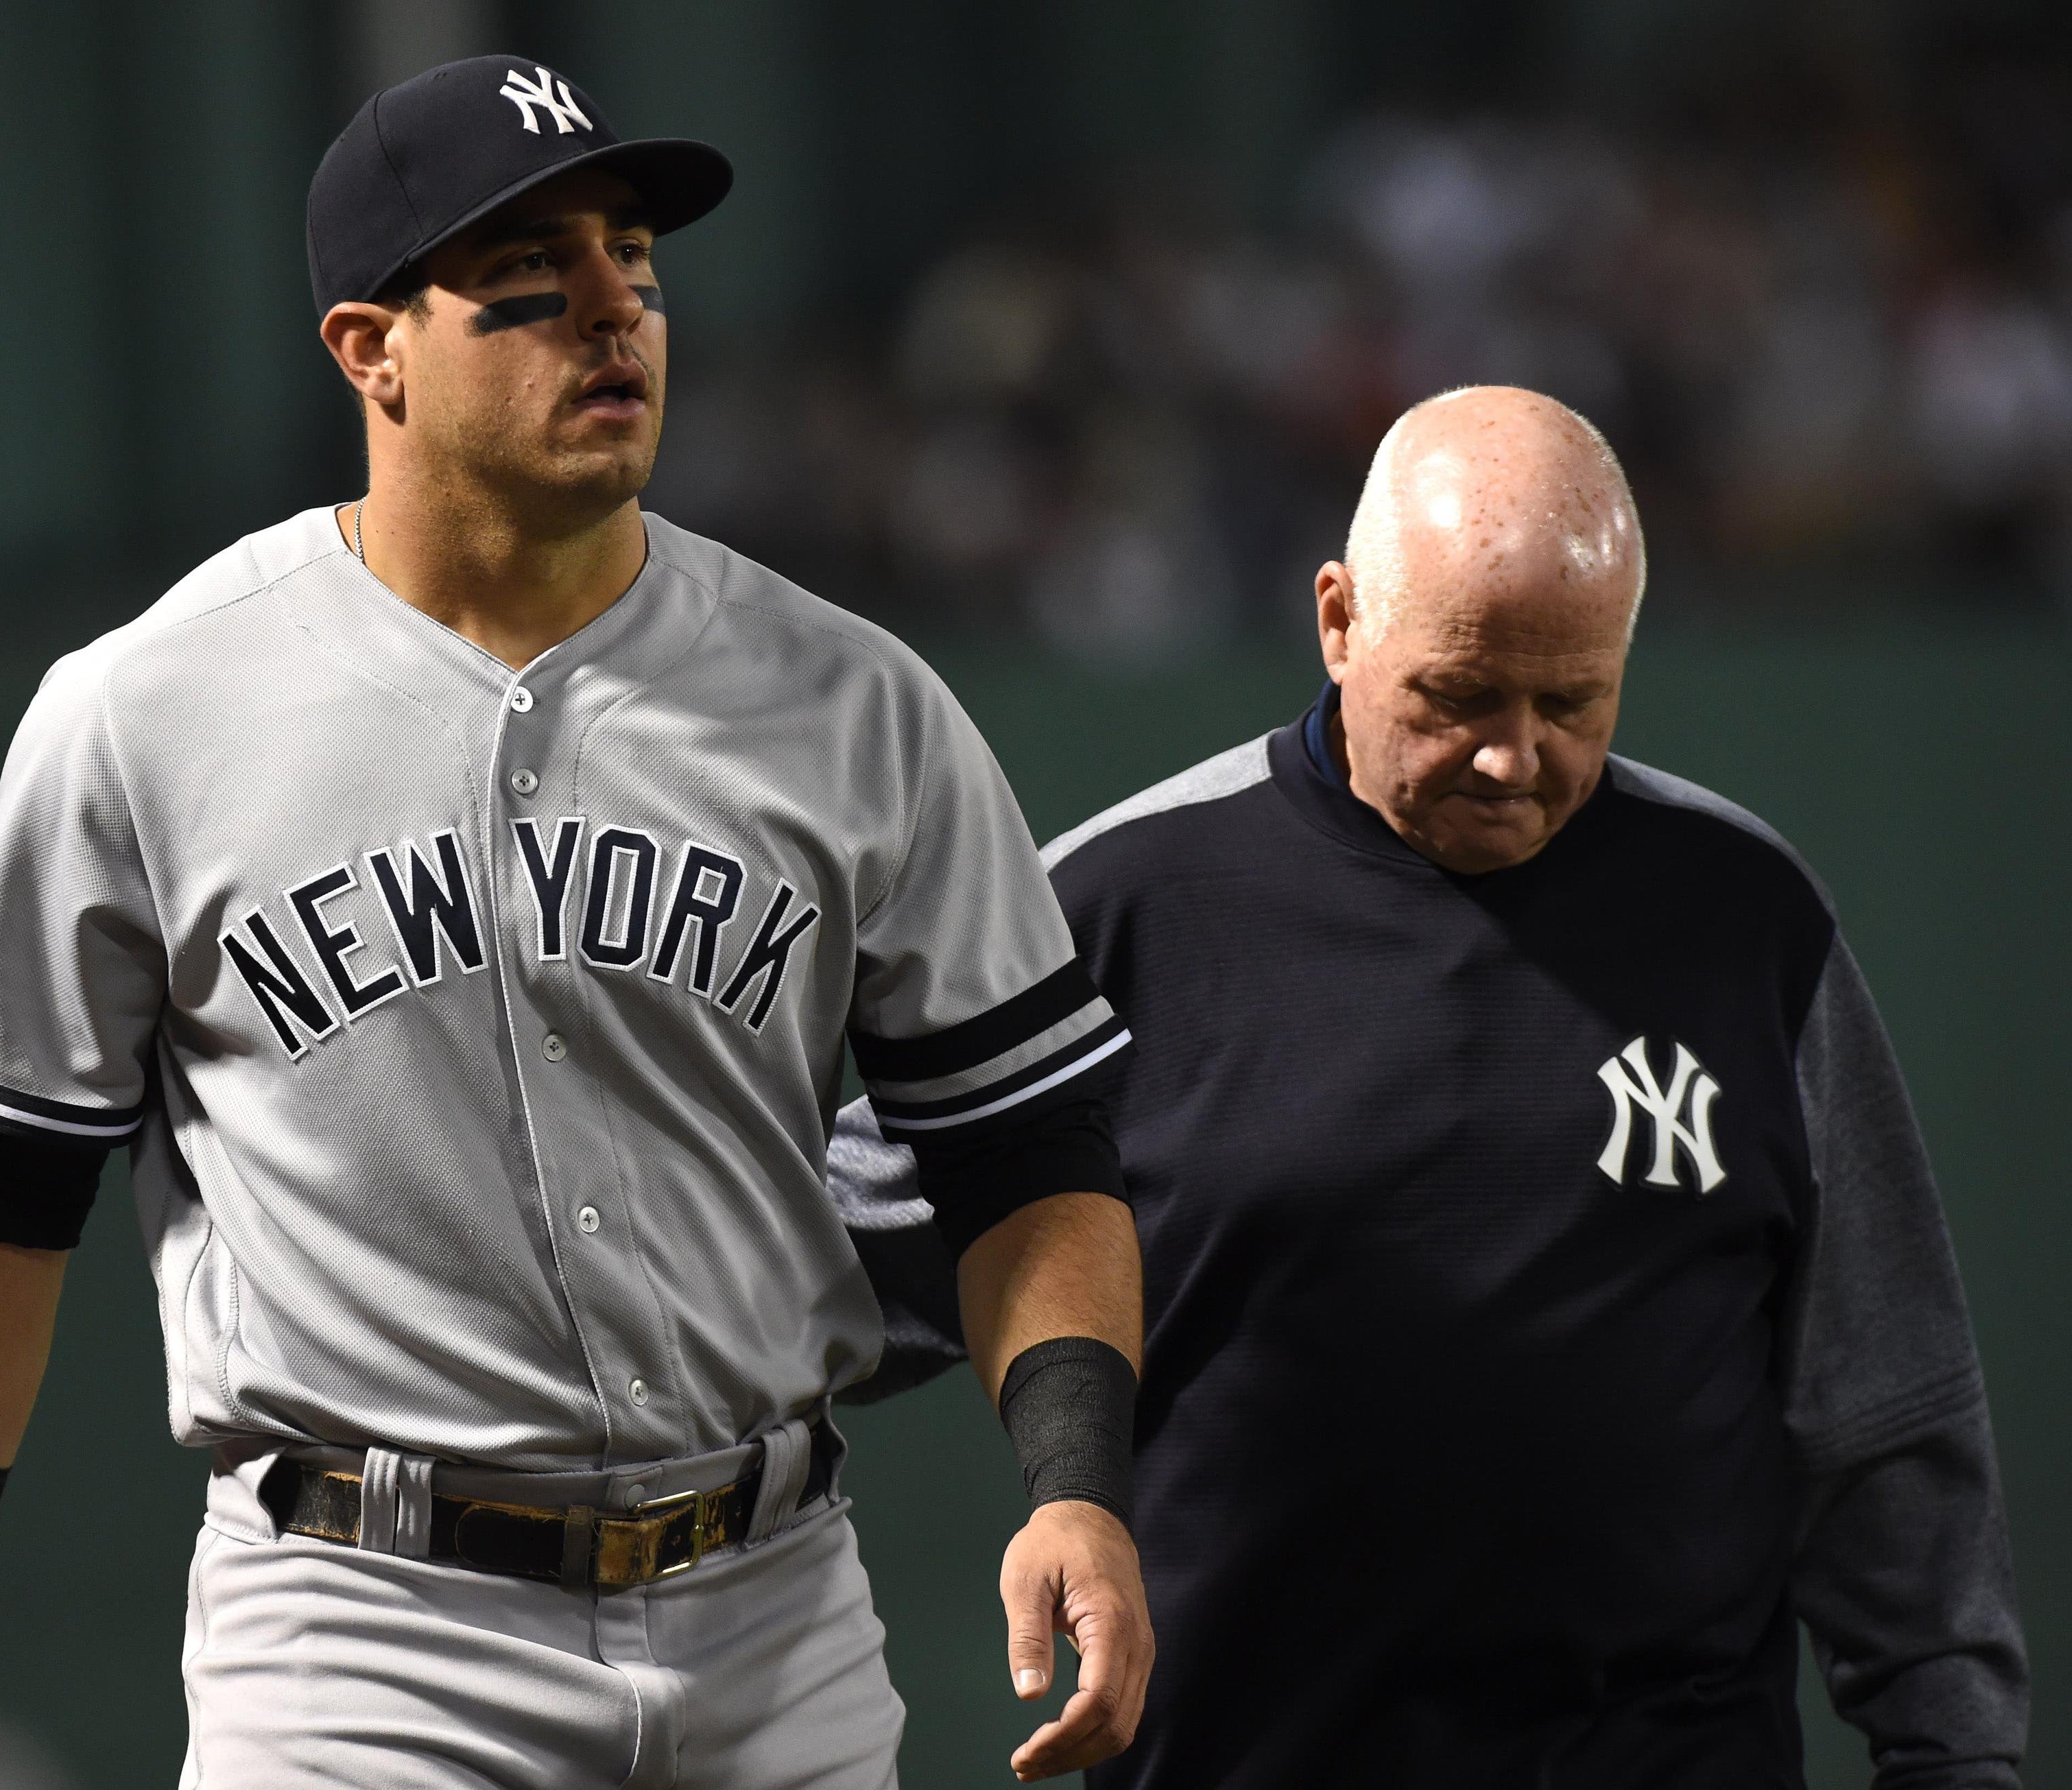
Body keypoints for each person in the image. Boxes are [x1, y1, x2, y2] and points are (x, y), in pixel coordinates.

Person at [0, 54, 1156, 1790]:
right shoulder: (150, 712)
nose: (612, 312)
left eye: (634, 262)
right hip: (363, 1644)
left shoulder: (856, 704)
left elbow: (1029, 1154)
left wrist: (1076, 1481)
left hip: (774, 1614)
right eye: (530, 275)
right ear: (371, 349)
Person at [834, 386, 2026, 1788]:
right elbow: (800, 1270)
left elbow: (1884, 1411)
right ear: (1340, 620)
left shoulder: (1749, 918)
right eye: (1459, 696)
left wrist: (1959, 1762)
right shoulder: (1125, 906)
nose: (1515, 757)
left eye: (1572, 702)